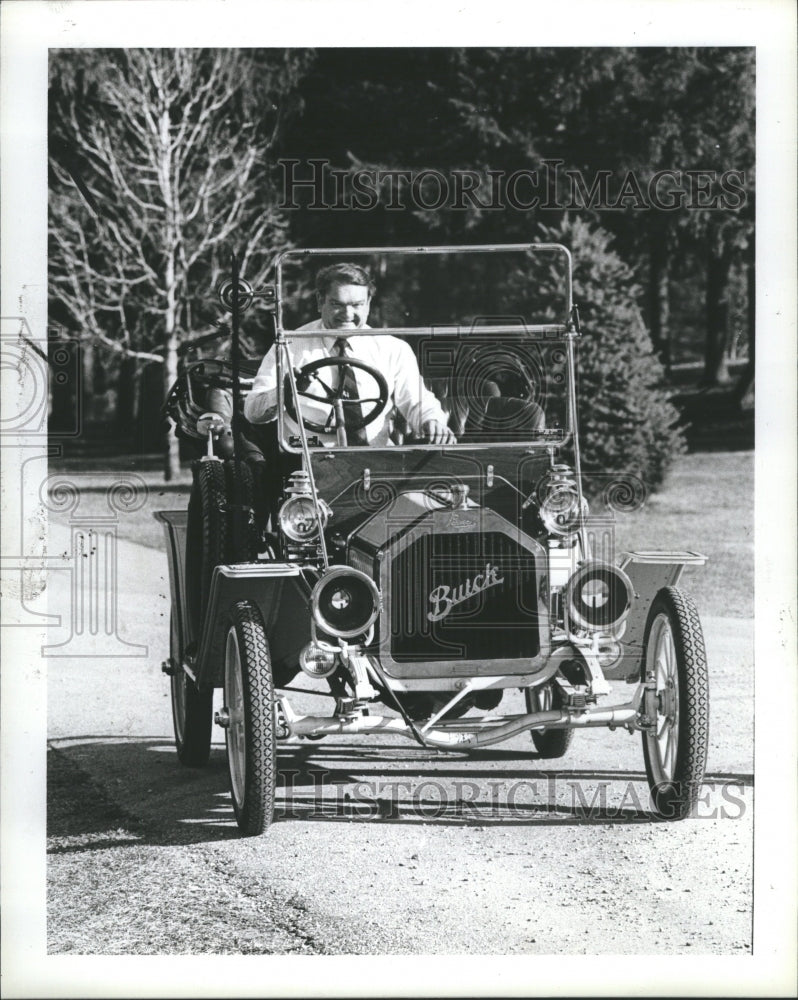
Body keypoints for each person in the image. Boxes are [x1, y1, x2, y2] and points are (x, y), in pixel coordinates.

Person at [243, 263, 457, 446]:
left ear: (368, 304)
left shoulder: (394, 349)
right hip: (306, 465)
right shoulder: (288, 346)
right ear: (320, 301)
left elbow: (416, 400)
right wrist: (285, 392)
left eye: (356, 305)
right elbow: (253, 411)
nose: (347, 315)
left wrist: (432, 421)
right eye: (337, 304)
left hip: (375, 462)